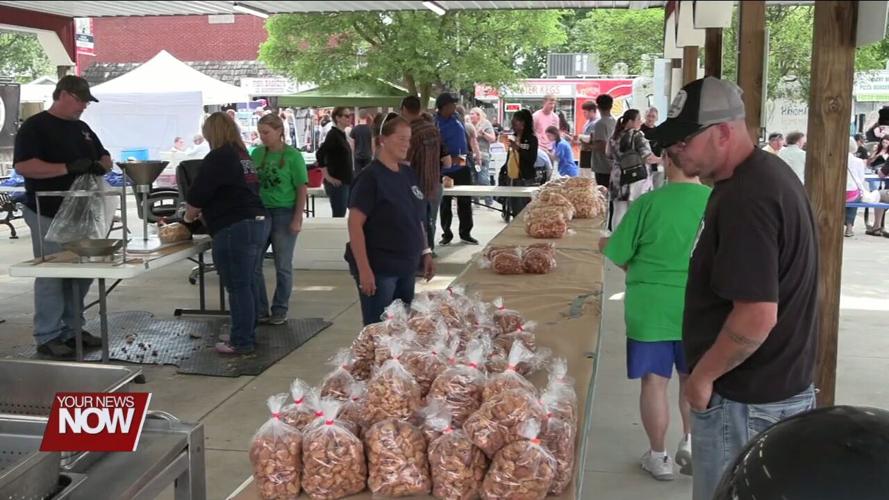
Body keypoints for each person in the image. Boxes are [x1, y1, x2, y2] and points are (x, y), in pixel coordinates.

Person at [651, 76, 819, 500]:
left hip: (746, 401)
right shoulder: (760, 177)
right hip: (766, 393)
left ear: (723, 132)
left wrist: (702, 377)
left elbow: (757, 314)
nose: (673, 151)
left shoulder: (748, 197)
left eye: (684, 141)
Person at [600, 155, 710, 481]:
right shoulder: (716, 202)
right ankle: (691, 442)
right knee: (693, 379)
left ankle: (659, 456)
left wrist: (609, 248)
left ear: (667, 161)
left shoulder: (648, 203)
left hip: (650, 306)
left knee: (654, 382)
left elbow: (618, 252)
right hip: (700, 307)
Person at [13, 75, 110, 357]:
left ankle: (73, 328)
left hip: (82, 213)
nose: (83, 107)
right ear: (64, 94)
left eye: (87, 102)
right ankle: (48, 334)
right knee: (52, 273)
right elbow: (24, 166)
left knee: (81, 273)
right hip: (47, 211)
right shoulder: (35, 127)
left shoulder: (82, 128)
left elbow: (105, 157)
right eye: (80, 101)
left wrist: (100, 166)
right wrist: (67, 168)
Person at [185, 112, 270, 355]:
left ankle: (241, 340)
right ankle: (245, 331)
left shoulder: (218, 157)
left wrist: (187, 218)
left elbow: (197, 196)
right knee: (248, 282)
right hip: (258, 222)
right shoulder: (242, 155)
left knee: (238, 286)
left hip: (234, 226)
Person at [345, 113, 435, 325]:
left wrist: (425, 251)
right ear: (382, 140)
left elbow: (417, 217)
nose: (406, 144)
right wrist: (364, 269)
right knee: (379, 329)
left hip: (407, 265)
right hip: (381, 268)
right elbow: (354, 224)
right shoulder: (370, 177)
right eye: (401, 138)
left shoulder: (407, 173)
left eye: (408, 139)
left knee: (402, 330)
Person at [251, 113, 308, 325]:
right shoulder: (256, 153)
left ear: (279, 131)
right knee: (254, 262)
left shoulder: (293, 156)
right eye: (260, 133)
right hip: (261, 211)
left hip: (284, 211)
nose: (263, 137)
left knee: (282, 264)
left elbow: (301, 188)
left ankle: (280, 308)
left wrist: (297, 218)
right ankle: (260, 308)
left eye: (266, 132)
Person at [400, 96, 450, 254]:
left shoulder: (410, 132)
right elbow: (447, 161)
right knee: (430, 220)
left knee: (416, 222)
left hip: (415, 186)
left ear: (404, 109)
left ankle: (420, 254)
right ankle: (429, 251)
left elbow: (405, 163)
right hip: (434, 183)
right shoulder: (434, 130)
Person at [435, 93, 477, 245]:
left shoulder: (457, 117)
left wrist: (470, 153)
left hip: (462, 163)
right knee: (445, 202)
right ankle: (447, 233)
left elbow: (464, 137)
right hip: (445, 167)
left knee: (465, 199)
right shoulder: (435, 123)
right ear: (444, 107)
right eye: (451, 104)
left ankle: (466, 233)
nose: (454, 106)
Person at [608, 109, 659, 228]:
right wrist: (662, 159)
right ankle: (631, 237)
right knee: (636, 212)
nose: (641, 122)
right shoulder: (637, 135)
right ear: (630, 121)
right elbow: (648, 157)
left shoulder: (614, 135)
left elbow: (608, 154)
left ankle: (616, 236)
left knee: (618, 212)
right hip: (635, 179)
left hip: (617, 177)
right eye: (638, 119)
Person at [317, 106, 354, 217]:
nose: (350, 118)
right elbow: (320, 154)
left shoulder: (341, 134)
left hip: (346, 181)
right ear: (338, 118)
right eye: (346, 116)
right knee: (339, 215)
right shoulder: (333, 135)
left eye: (350, 115)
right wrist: (328, 177)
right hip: (338, 183)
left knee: (347, 212)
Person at [504, 109, 539, 215]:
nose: (513, 123)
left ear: (523, 122)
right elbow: (510, 158)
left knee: (524, 209)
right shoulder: (513, 137)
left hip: (525, 178)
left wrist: (518, 148)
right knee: (514, 209)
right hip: (511, 178)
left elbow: (531, 159)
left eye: (516, 121)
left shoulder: (532, 139)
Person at [470, 107, 496, 206]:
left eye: (473, 114)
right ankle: (475, 201)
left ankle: (489, 201)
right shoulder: (469, 124)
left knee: (483, 179)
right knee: (473, 180)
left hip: (483, 155)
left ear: (478, 115)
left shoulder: (486, 124)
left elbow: (492, 139)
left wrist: (483, 134)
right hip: (471, 155)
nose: (471, 116)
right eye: (470, 114)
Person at [846, 137, 870, 238]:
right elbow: (861, 179)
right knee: (855, 196)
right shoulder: (858, 161)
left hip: (836, 194)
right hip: (851, 194)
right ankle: (849, 227)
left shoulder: (834, 159)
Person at [640, 107, 665, 188]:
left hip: (657, 166)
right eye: (648, 116)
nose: (650, 119)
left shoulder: (659, 131)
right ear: (645, 116)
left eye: (653, 116)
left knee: (658, 189)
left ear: (657, 118)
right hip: (643, 166)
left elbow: (663, 147)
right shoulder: (639, 131)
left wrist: (660, 159)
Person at [576, 100, 599, 179]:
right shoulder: (587, 122)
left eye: (585, 112)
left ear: (592, 111)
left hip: (590, 152)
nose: (584, 114)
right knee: (583, 174)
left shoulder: (597, 123)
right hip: (584, 151)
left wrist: (581, 137)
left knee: (588, 176)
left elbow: (592, 139)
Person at [350, 108, 375, 174]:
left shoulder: (354, 129)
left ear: (358, 117)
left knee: (358, 175)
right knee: (367, 175)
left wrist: (353, 154)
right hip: (368, 155)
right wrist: (373, 155)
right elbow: (372, 144)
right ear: (366, 117)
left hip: (357, 156)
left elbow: (352, 145)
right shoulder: (370, 129)